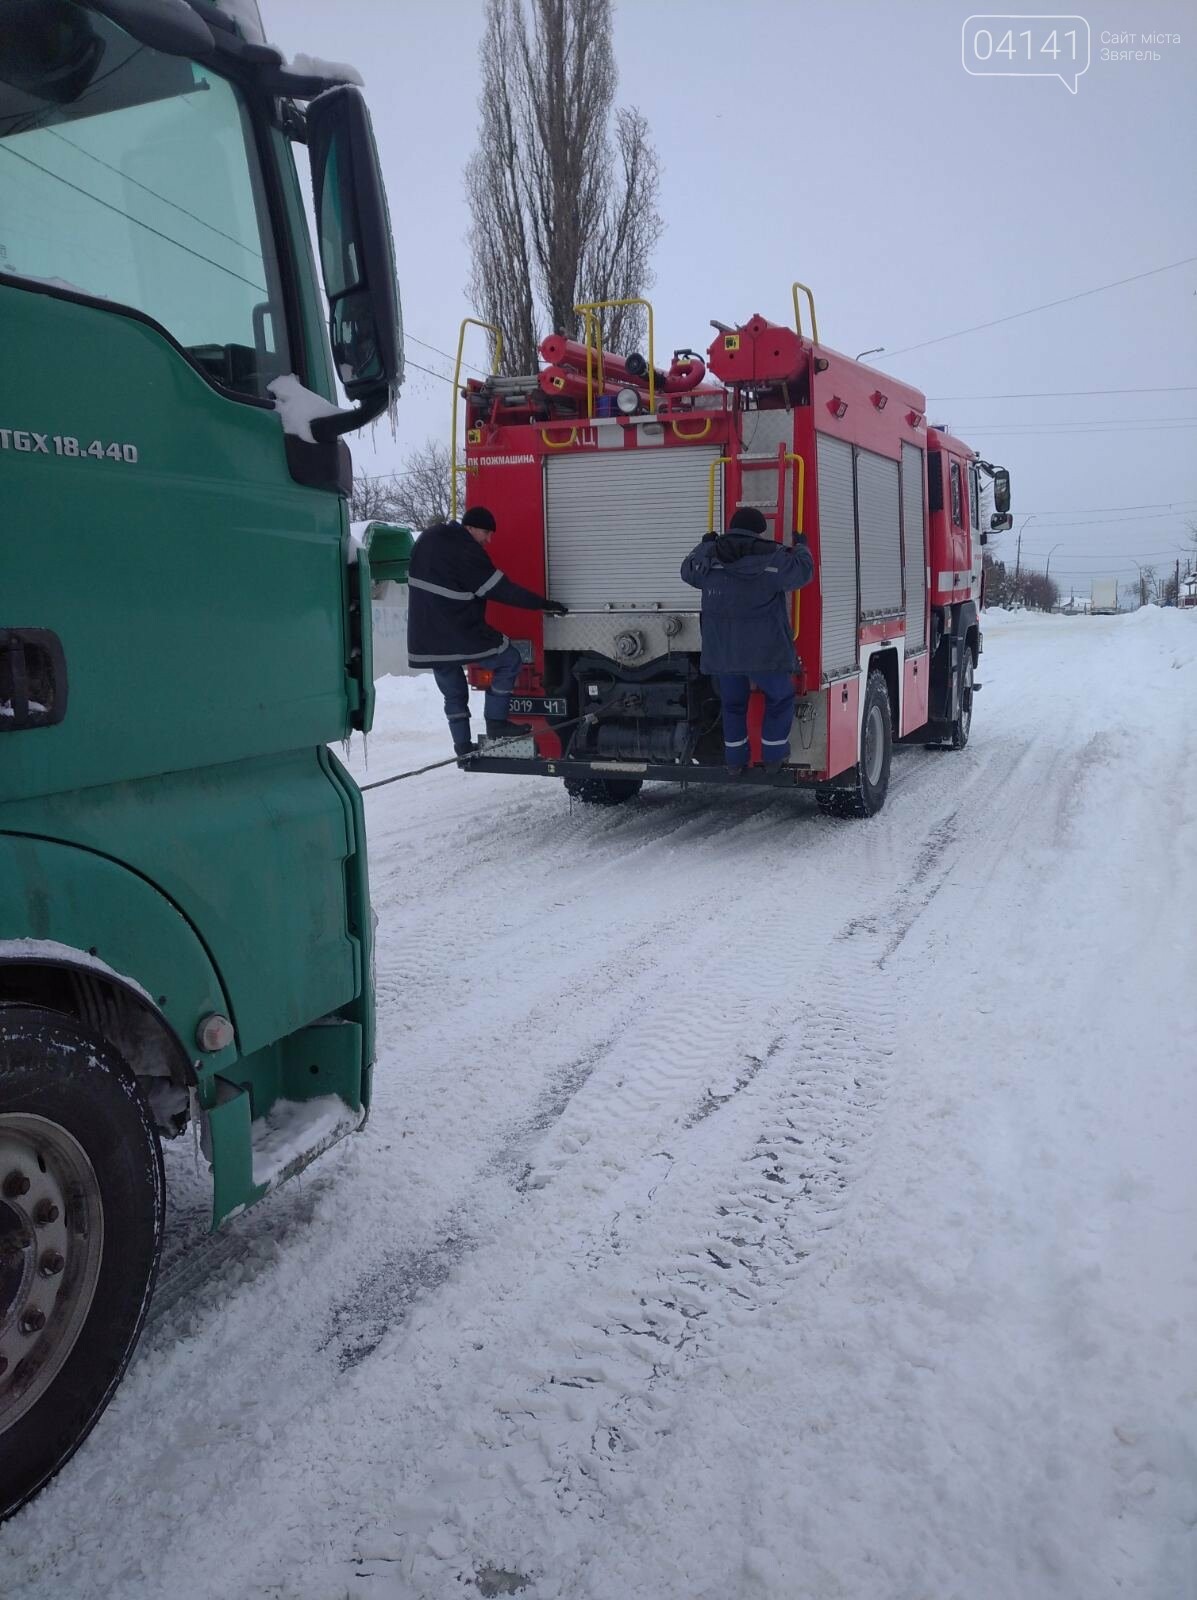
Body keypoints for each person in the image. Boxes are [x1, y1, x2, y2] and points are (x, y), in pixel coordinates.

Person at [407, 505, 567, 755]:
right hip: (458, 631)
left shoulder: (430, 537)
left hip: (426, 638)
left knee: (453, 693)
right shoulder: (465, 550)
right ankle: (496, 722)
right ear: (470, 527)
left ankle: (462, 746)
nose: (489, 540)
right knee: (509, 659)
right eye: (486, 533)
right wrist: (543, 604)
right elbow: (503, 590)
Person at [680, 506, 814, 775]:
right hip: (765, 653)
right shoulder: (772, 557)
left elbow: (687, 571)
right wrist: (802, 547)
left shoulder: (711, 559)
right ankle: (774, 757)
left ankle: (735, 761)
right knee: (780, 698)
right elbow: (803, 573)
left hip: (723, 653)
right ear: (758, 530)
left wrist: (703, 546)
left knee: (732, 704)